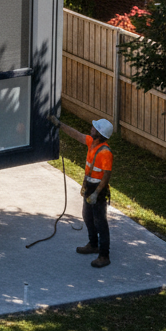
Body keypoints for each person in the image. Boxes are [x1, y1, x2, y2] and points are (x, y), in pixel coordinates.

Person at [53, 114, 114, 268]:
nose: (91, 128)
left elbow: (106, 176)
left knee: (100, 222)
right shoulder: (91, 142)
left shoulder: (105, 153)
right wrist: (59, 124)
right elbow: (76, 134)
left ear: (100, 134)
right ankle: (93, 244)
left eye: (95, 128)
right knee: (87, 216)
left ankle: (104, 255)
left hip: (98, 190)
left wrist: (96, 193)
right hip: (89, 187)